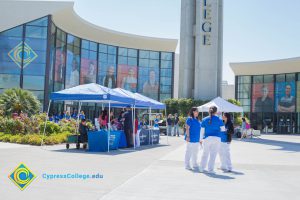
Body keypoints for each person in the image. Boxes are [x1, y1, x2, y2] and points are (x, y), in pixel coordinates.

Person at [199, 106, 225, 173]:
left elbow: (202, 131)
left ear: (209, 111)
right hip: (217, 138)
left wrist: (200, 139)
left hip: (207, 139)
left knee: (205, 154)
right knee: (213, 155)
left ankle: (201, 168)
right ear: (216, 112)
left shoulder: (204, 119)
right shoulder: (219, 119)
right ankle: (210, 170)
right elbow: (223, 130)